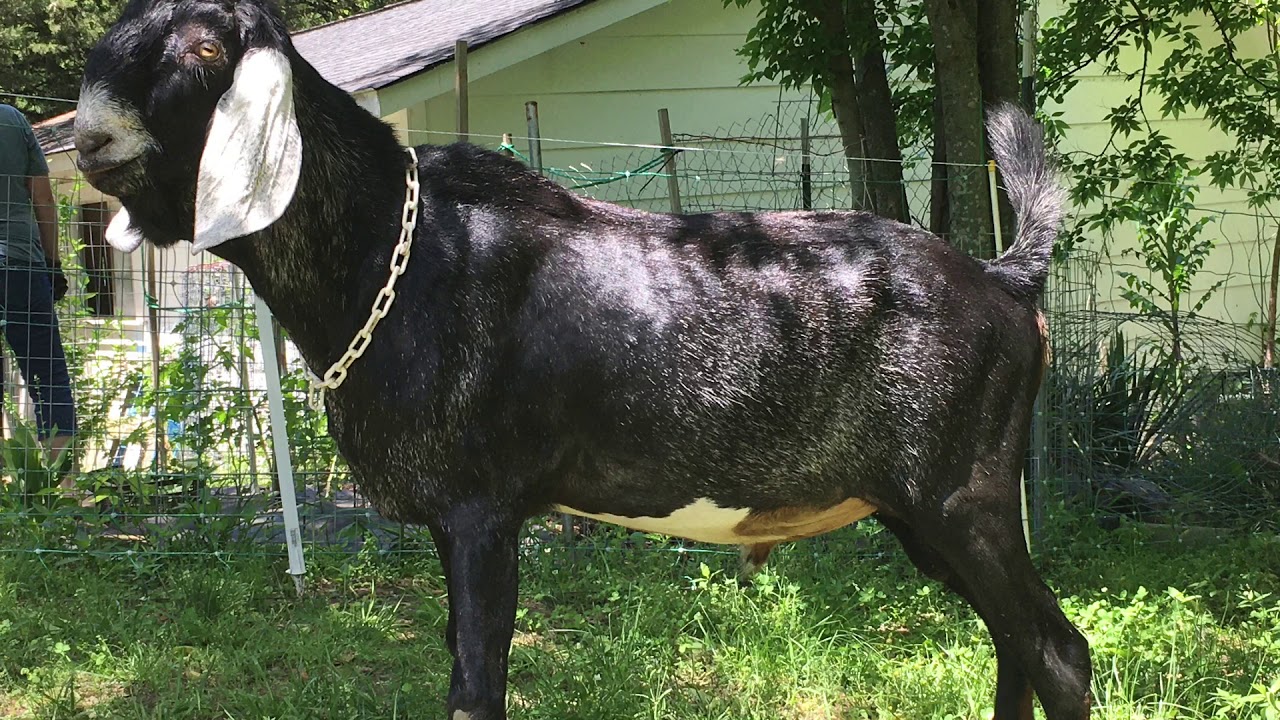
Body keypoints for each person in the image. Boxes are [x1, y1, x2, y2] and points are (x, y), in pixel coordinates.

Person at [0, 103, 77, 489]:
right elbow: (43, 199)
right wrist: (53, 263)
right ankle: (63, 497)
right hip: (21, 265)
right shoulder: (12, 120)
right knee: (48, 376)